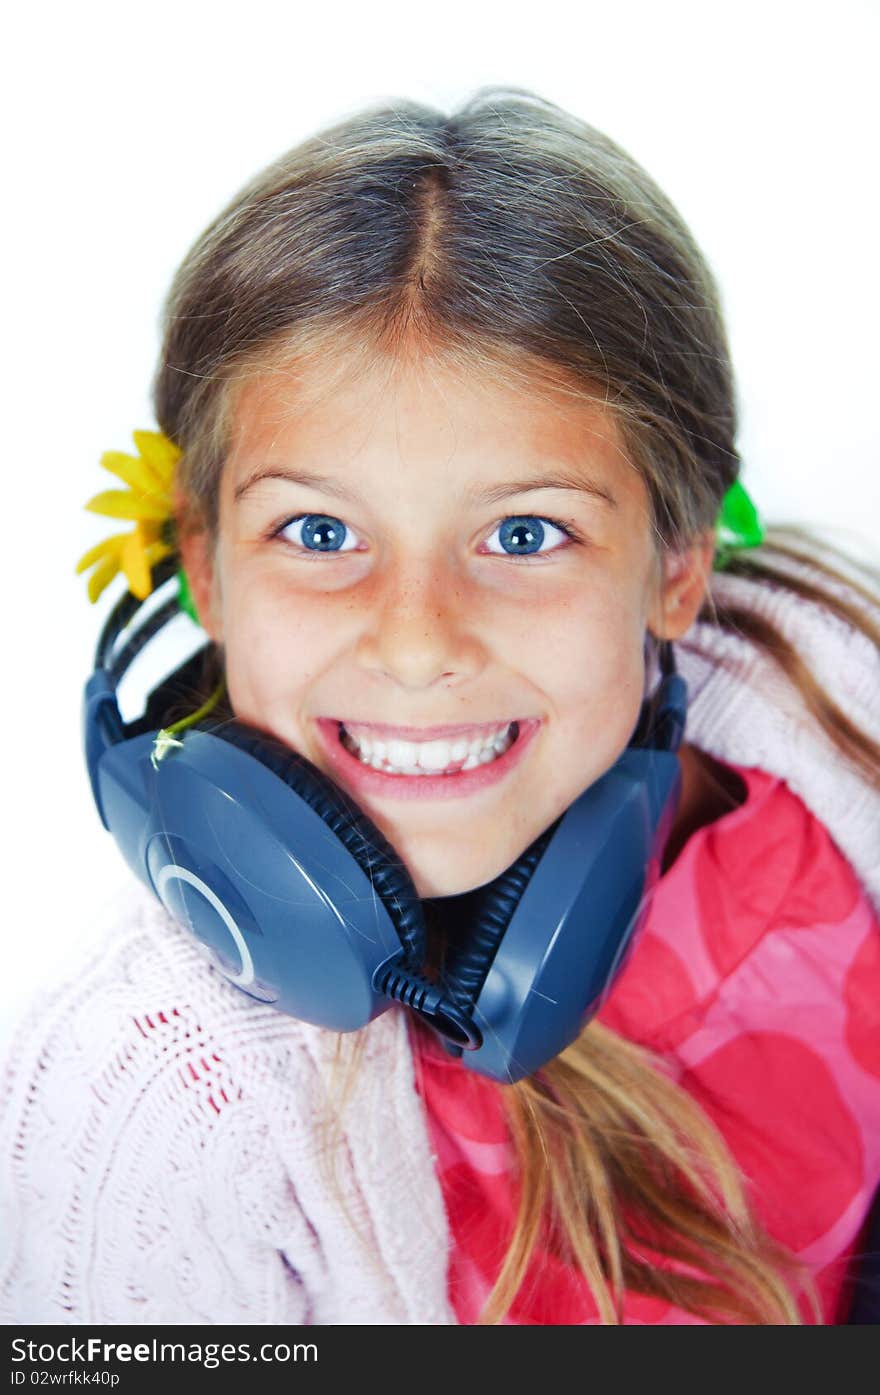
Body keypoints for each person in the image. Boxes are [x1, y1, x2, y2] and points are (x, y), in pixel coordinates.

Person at [2, 86, 879, 1326]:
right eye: (318, 531)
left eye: (524, 533)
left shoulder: (823, 677)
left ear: (677, 566)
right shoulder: (148, 1100)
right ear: (202, 567)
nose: (416, 643)